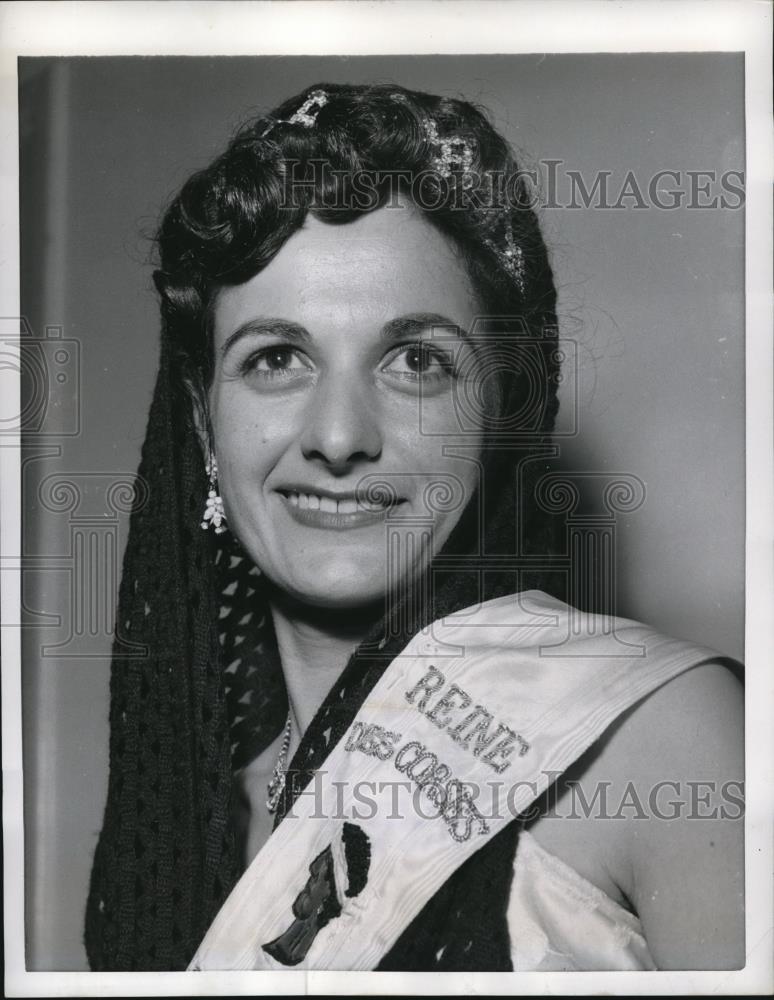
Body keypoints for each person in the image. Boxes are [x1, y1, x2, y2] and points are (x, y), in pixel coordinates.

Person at [84, 82, 744, 972]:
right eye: (276, 358)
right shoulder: (189, 817)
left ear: (496, 412)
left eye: (417, 361)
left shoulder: (665, 738)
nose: (339, 437)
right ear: (206, 423)